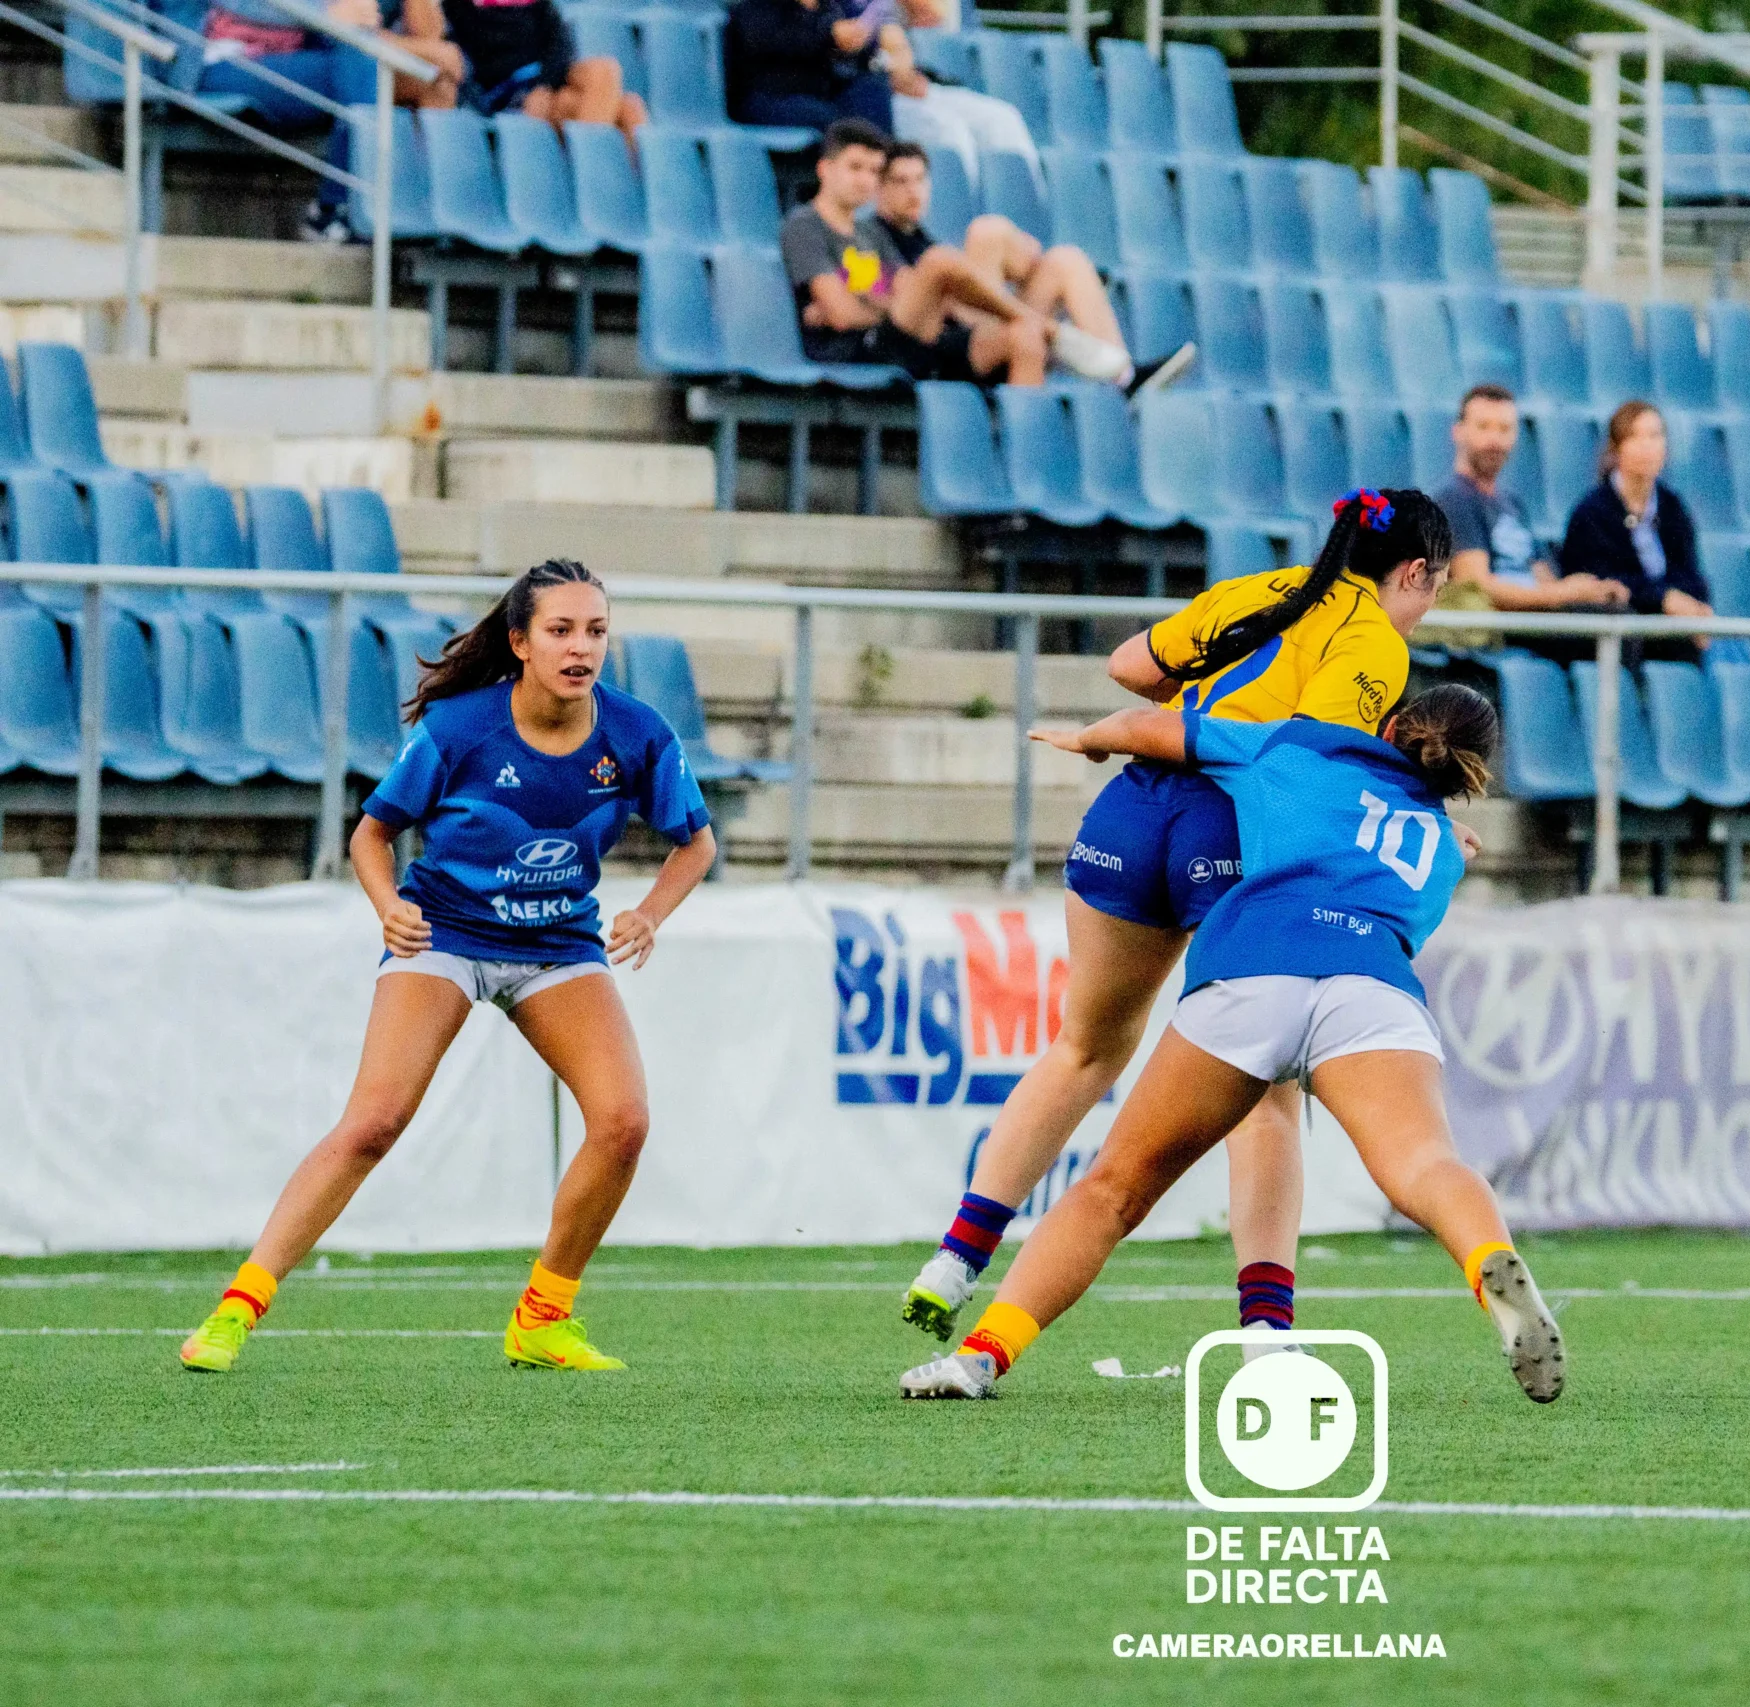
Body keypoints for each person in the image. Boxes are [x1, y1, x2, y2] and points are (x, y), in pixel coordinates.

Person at [898, 683, 1567, 1408]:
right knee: (1427, 1164)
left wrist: (1096, 734)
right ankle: (1489, 1260)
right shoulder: (1440, 849)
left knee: (1113, 1191)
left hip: (1254, 969)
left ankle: (980, 1357)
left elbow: (1157, 730)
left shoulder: (1296, 743)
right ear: (1468, 774)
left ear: (1394, 723)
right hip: (1372, 986)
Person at [898, 489, 1458, 1347]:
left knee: (1082, 1047)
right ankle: (1267, 1331)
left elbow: (1130, 665)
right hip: (1224, 823)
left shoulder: (1266, 586)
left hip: (1130, 809)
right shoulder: (1375, 641)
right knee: (1266, 1091)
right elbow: (1305, 766)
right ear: (1414, 571)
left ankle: (955, 1259)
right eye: (1437, 588)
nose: (1428, 610)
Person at [177, 560, 717, 1376]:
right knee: (374, 1121)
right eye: (561, 630)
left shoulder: (639, 734)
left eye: (597, 631)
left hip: (558, 947)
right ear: (520, 642)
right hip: (444, 936)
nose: (582, 648)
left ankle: (543, 1316)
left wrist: (648, 913)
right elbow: (370, 834)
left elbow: (696, 841)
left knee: (624, 1122)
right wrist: (387, 904)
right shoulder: (459, 729)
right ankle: (237, 1307)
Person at [780, 121, 1122, 386]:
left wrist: (871, 300)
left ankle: (1026, 463)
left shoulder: (866, 233)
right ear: (825, 169)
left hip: (914, 338)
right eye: (855, 168)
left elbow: (898, 289)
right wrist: (872, 302)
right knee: (940, 260)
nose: (865, 180)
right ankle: (1053, 330)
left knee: (1024, 337)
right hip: (860, 352)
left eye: (872, 170)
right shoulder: (806, 226)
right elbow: (841, 316)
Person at [867, 141, 1192, 396]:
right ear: (880, 188)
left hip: (974, 332)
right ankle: (1054, 321)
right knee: (986, 232)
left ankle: (1125, 376)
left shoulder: (925, 239)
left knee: (1065, 259)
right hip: (937, 352)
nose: (913, 191)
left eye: (920, 180)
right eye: (900, 181)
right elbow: (876, 296)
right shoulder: (866, 237)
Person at [196, 0, 463, 243]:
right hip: (224, 60)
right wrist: (324, 14)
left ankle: (429, 222)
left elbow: (428, 36)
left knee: (434, 81)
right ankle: (336, 207)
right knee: (362, 53)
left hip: (313, 60)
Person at [1431, 384, 1629, 613]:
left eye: (1505, 429)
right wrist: (1563, 593)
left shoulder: (1512, 503)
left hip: (1539, 618)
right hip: (1506, 627)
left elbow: (1543, 577)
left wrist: (1586, 589)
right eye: (1483, 427)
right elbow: (1477, 587)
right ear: (1458, 432)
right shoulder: (1453, 499)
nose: (1495, 440)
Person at [1557, 402, 1712, 646]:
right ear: (1616, 449)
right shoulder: (1591, 513)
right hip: (1621, 631)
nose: (1647, 447)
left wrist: (1688, 603)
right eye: (1635, 437)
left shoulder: (1673, 507)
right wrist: (1663, 598)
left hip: (1671, 628)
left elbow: (1692, 575)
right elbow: (1599, 581)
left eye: (1654, 436)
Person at [876, 0, 1041, 188]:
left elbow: (933, 13)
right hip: (885, 95)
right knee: (950, 130)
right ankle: (963, 208)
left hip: (924, 84)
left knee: (1004, 118)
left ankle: (1028, 208)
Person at [423, 0, 646, 139]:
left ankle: (591, 191)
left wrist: (543, 85)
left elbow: (560, 45)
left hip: (544, 84)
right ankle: (589, 195)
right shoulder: (461, 6)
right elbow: (479, 63)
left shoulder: (534, 3)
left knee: (607, 74)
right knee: (625, 110)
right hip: (506, 94)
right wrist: (533, 91)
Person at [723, 0, 893, 134]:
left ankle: (879, 168)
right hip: (767, 97)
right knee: (834, 121)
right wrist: (829, 34)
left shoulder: (829, 6)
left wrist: (855, 44)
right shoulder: (757, 7)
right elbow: (767, 39)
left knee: (872, 90)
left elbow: (848, 56)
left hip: (819, 92)